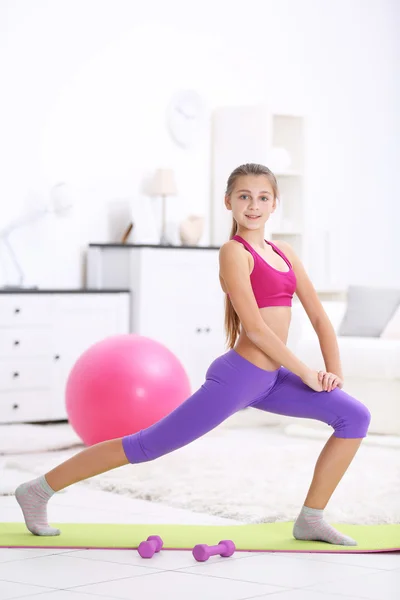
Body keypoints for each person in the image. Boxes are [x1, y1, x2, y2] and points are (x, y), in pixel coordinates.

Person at [15, 162, 371, 545]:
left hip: (272, 380)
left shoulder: (285, 253)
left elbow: (319, 317)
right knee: (145, 445)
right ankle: (38, 490)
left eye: (262, 197)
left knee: (354, 416)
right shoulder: (234, 253)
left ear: (274, 204)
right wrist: (305, 372)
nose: (253, 205)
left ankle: (311, 520)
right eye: (244, 197)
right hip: (240, 377)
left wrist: (333, 374)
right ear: (228, 202)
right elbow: (255, 328)